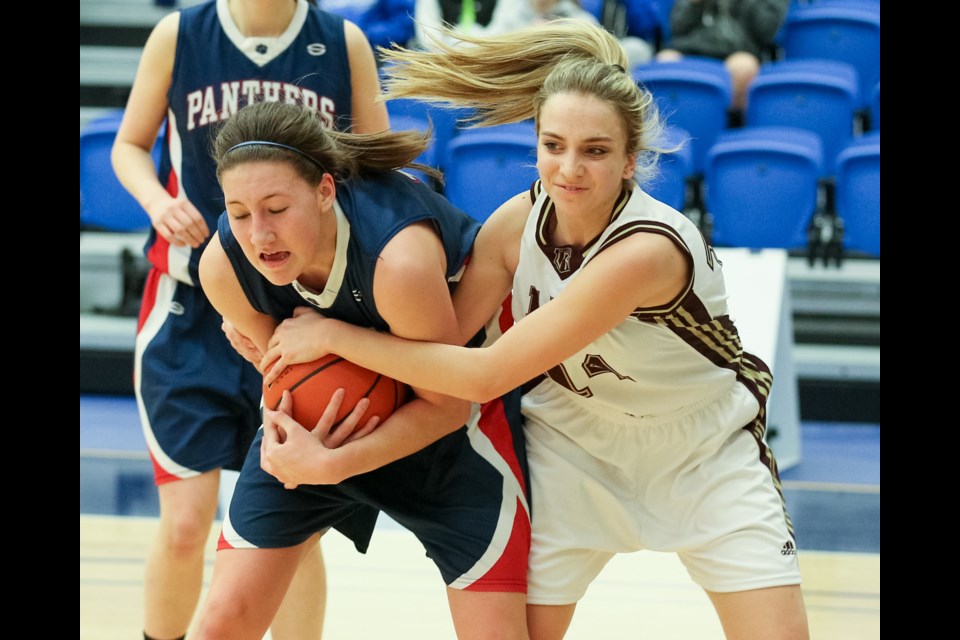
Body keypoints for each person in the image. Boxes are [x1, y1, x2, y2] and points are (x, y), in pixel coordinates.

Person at [260, 19, 810, 639]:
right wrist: (278, 344)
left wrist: (330, 339)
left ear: (631, 159)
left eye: (595, 151)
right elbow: (439, 349)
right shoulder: (515, 223)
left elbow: (486, 374)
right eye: (553, 145)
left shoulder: (646, 250)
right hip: (571, 446)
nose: (569, 168)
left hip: (704, 452)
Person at [191, 99, 531, 639]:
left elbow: (449, 403)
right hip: (317, 427)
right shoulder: (222, 266)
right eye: (238, 213)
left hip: (451, 432)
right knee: (221, 625)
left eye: (277, 208)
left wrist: (337, 457)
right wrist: (295, 439)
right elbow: (278, 379)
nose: (258, 234)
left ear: (325, 191)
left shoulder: (398, 259)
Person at [110, 1, 389, 638]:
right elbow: (129, 144)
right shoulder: (179, 35)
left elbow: (376, 167)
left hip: (299, 315)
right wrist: (158, 201)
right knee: (184, 525)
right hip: (188, 307)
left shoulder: (340, 41)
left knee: (293, 533)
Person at [656, 0, 790, 113]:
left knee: (743, 67)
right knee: (665, 60)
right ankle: (668, 126)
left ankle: (731, 127)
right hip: (691, 48)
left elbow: (765, 30)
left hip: (739, 51)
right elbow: (676, 28)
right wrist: (695, 4)